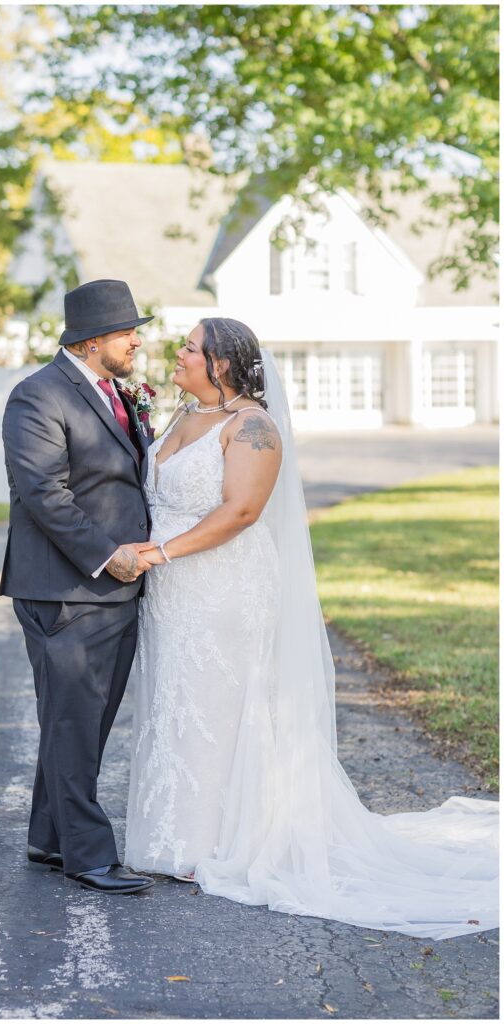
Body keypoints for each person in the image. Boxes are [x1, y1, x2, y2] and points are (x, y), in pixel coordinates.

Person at [124, 316, 499, 939]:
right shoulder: (180, 418)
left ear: (220, 363)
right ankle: (172, 834)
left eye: (190, 347)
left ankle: (219, 843)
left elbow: (241, 511)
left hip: (222, 586)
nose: (179, 354)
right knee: (176, 703)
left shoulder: (253, 427)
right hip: (172, 593)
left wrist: (159, 553)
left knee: (221, 706)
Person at [0, 278, 156, 895]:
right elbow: (43, 493)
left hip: (116, 589)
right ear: (93, 341)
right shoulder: (36, 396)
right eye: (127, 332)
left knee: (83, 722)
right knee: (72, 721)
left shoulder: (116, 393)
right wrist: (106, 556)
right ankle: (88, 856)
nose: (137, 342)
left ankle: (49, 836)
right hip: (66, 591)